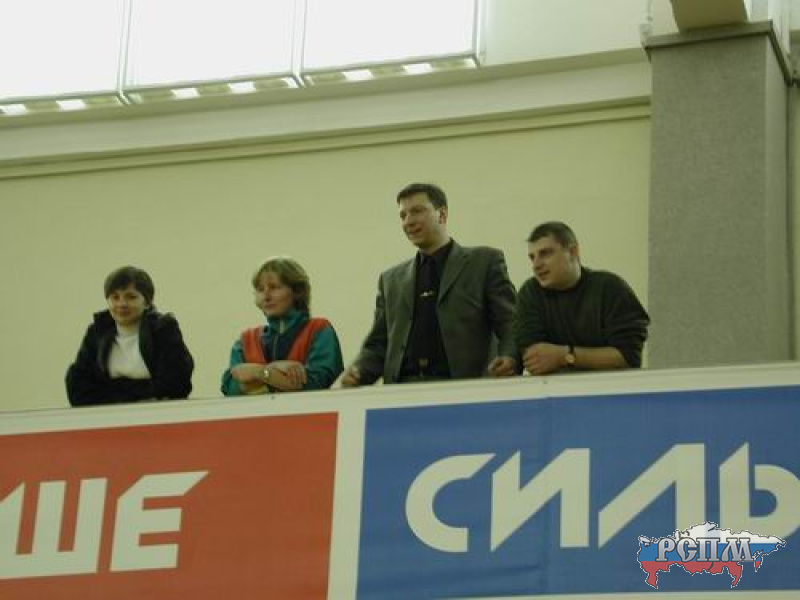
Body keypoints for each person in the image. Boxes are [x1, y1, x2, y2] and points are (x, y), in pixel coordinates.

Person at [342, 182, 518, 386]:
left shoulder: (484, 262)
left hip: (466, 389)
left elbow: (511, 323)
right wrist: (358, 371)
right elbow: (378, 345)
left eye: (417, 211)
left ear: (441, 214)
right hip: (401, 392)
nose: (408, 221)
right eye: (403, 215)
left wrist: (510, 357)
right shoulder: (390, 280)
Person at [513, 221, 650, 375]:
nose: (536, 265)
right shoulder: (530, 293)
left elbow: (628, 358)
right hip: (552, 388)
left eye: (545, 253)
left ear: (573, 251)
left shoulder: (611, 289)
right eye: (532, 257)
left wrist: (565, 356)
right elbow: (536, 359)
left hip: (609, 387)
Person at [66, 266, 194, 406]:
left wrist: (112, 389)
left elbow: (176, 384)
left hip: (157, 412)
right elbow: (77, 388)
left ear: (147, 302)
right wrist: (141, 390)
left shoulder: (163, 329)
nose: (122, 304)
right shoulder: (97, 331)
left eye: (131, 297)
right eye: (115, 297)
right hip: (107, 415)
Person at [221, 256, 343, 395]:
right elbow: (230, 388)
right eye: (260, 289)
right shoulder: (245, 341)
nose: (266, 297)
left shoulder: (318, 329)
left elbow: (316, 383)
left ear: (297, 291)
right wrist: (272, 370)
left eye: (274, 287)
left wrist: (258, 373)